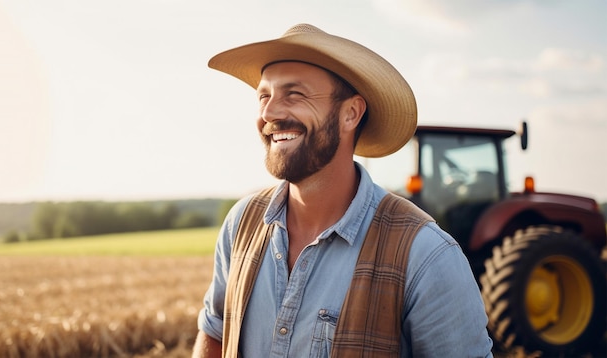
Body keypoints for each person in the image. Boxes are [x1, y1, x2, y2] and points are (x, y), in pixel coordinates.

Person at [193, 24, 493, 357]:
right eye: (264, 95)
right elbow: (215, 334)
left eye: (295, 94)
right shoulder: (241, 225)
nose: (269, 112)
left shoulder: (425, 255)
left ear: (350, 113)